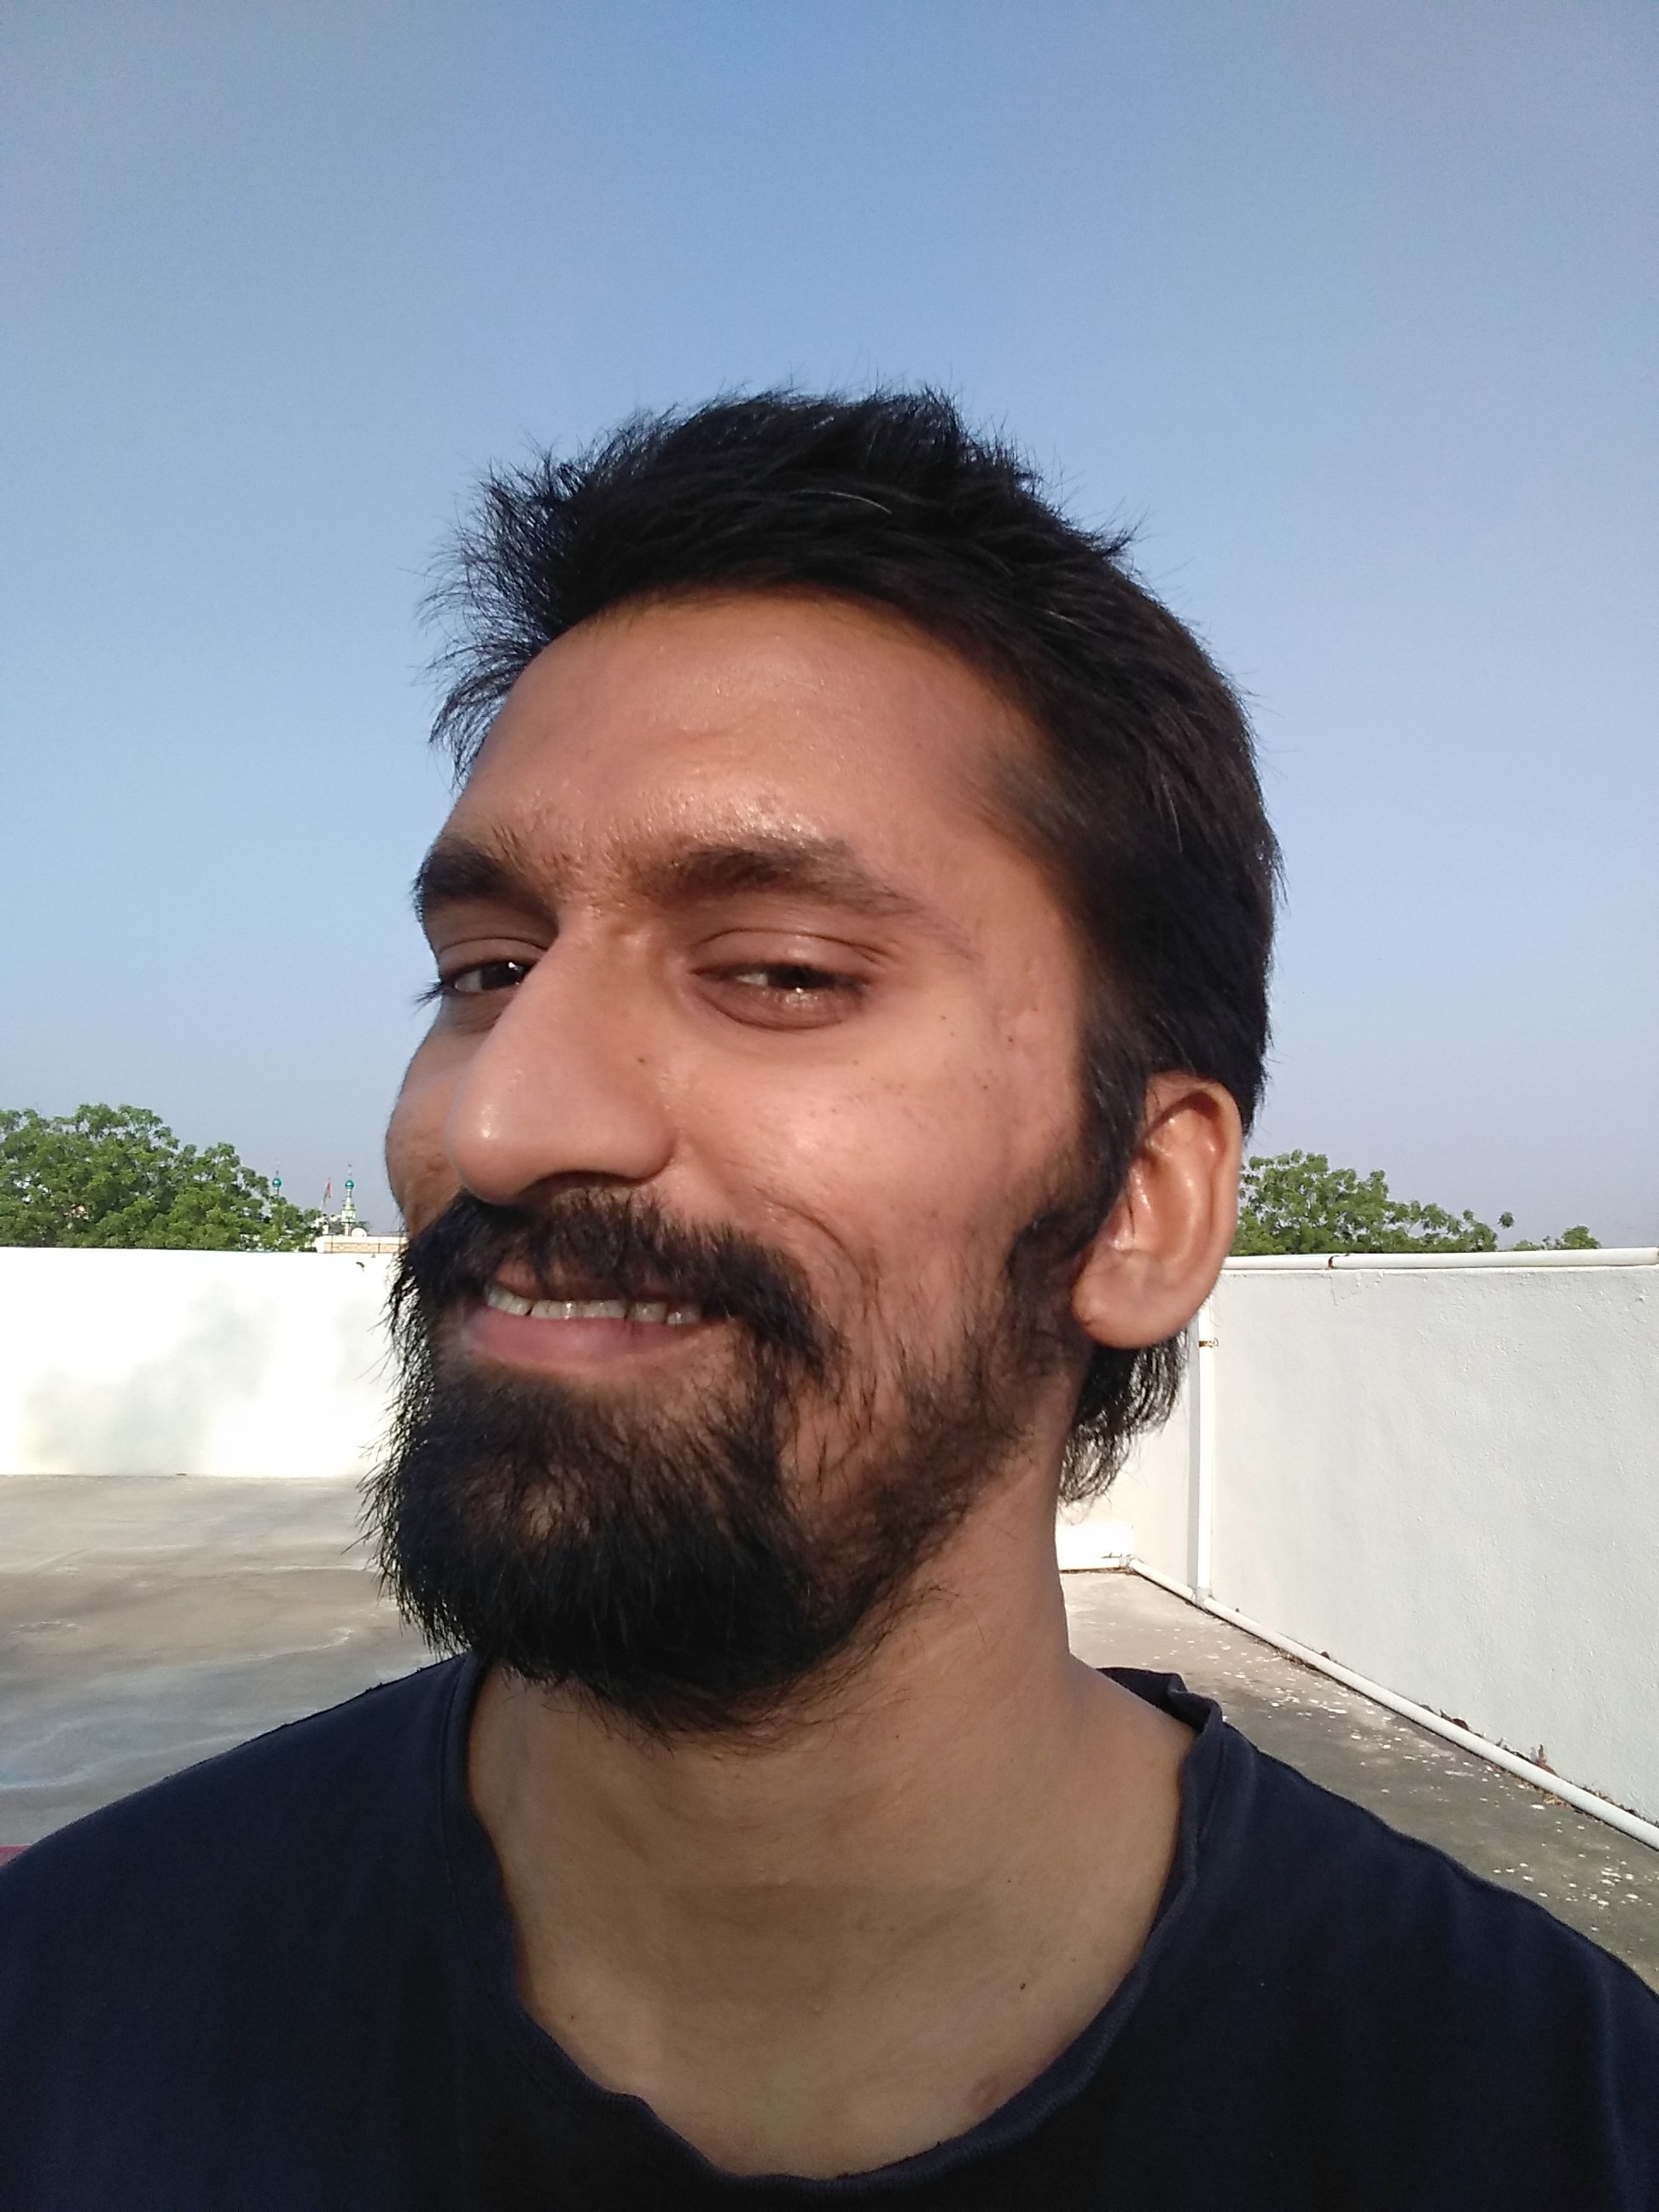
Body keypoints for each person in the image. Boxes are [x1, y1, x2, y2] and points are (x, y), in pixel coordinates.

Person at [1, 393, 1654, 2210]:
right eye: (485, 969)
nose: (499, 1121)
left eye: (780, 972)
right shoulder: (69, 2023)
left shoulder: (1548, 2122)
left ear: (1142, 1200)